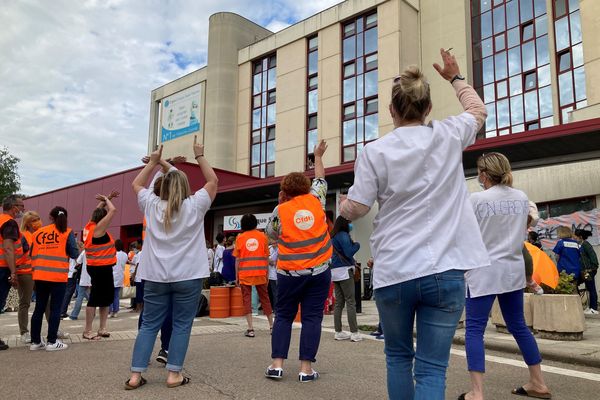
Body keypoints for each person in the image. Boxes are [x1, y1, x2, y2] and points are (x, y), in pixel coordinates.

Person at [339, 50, 491, 399]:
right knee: (432, 367)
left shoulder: (374, 151)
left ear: (392, 111)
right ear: (428, 109)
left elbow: (359, 207)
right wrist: (455, 78)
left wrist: (344, 207)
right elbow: (478, 112)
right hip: (447, 267)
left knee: (397, 356)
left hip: (395, 269)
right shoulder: (449, 134)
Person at [126, 136, 217, 390]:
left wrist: (155, 162)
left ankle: (135, 375)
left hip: (155, 275)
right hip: (188, 275)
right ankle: (173, 374)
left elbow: (136, 184)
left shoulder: (152, 205)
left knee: (149, 324)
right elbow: (213, 181)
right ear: (186, 187)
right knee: (181, 325)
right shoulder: (195, 205)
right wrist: (199, 155)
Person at [459, 152, 551, 400]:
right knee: (519, 325)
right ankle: (538, 382)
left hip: (483, 271)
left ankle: (476, 392)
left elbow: (463, 233)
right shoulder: (521, 198)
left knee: (475, 328)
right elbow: (524, 228)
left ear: (484, 174)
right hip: (512, 270)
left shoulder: (476, 199)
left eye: (479, 171)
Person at [265, 140, 331, 383]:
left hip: (289, 274)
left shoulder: (279, 211)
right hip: (319, 271)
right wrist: (317, 157)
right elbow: (321, 179)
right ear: (306, 187)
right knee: (312, 318)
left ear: (285, 190)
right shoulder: (316, 200)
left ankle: (277, 365)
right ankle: (305, 370)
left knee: (283, 315)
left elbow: (271, 236)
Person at [29, 206, 79, 351]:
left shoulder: (38, 233)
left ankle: (35, 342)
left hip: (39, 275)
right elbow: (75, 254)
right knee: (55, 308)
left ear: (50, 217)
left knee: (39, 308)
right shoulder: (66, 232)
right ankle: (52, 342)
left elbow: (32, 254)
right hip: (57, 276)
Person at [83, 192, 119, 340]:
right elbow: (113, 211)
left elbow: (97, 211)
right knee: (95, 298)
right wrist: (106, 199)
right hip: (100, 268)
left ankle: (102, 328)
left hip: (101, 267)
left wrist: (107, 199)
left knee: (105, 298)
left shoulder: (89, 226)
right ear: (102, 219)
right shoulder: (98, 230)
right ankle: (87, 330)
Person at [234, 214, 274, 337]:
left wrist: (237, 276)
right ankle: (272, 326)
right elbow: (266, 257)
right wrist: (267, 274)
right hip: (261, 273)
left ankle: (250, 329)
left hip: (245, 274)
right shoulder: (262, 236)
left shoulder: (240, 238)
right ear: (255, 223)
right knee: (265, 299)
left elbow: (238, 260)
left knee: (247, 300)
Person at [330, 216, 361, 342]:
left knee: (339, 303)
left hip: (335, 271)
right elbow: (349, 252)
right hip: (344, 271)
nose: (350, 224)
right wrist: (357, 245)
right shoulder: (343, 235)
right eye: (349, 222)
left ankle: (338, 331)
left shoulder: (333, 236)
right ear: (344, 224)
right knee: (350, 302)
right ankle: (354, 332)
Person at [0, 195, 24, 350]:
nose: (22, 209)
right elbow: (8, 248)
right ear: (14, 207)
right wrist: (13, 272)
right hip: (2, 268)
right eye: (21, 206)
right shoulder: (9, 223)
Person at [15, 211, 42, 343]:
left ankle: (54, 329)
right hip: (25, 272)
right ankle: (24, 332)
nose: (38, 222)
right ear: (27, 223)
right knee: (25, 302)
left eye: (38, 219)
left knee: (47, 301)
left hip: (39, 272)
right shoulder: (23, 236)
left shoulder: (40, 234)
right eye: (34, 220)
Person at [575, 229, 598, 314]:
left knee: (591, 288)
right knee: (587, 287)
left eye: (576, 237)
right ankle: (590, 307)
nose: (575, 239)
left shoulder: (586, 245)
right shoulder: (581, 245)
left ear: (580, 237)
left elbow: (593, 256)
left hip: (588, 271)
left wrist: (593, 267)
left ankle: (594, 308)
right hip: (584, 271)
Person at [66, 244, 91, 320]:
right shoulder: (97, 252)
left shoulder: (84, 252)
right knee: (88, 295)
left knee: (80, 296)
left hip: (84, 276)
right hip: (93, 276)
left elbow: (78, 262)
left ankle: (74, 315)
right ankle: (94, 311)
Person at [110, 239, 128, 318]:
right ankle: (115, 311)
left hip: (112, 275)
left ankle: (110, 311)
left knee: (109, 295)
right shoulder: (125, 255)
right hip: (120, 275)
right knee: (116, 295)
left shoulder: (113, 254)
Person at [267, 239, 278, 310]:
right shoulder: (269, 248)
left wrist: (272, 261)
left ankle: (276, 308)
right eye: (272, 243)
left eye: (275, 243)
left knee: (276, 293)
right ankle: (273, 308)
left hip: (277, 274)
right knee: (271, 292)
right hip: (270, 274)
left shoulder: (280, 249)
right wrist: (271, 261)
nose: (273, 244)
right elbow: (266, 259)